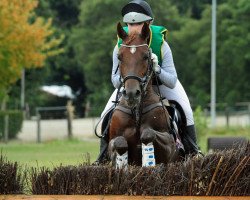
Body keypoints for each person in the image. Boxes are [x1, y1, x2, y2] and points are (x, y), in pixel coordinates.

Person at [96, 0, 201, 164]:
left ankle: (193, 151)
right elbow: (115, 80)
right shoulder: (120, 46)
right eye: (129, 24)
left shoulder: (161, 45)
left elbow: (172, 81)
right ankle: (102, 156)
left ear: (148, 24)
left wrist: (156, 67)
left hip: (161, 84)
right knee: (105, 115)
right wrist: (127, 80)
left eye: (137, 24)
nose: (133, 28)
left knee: (186, 110)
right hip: (131, 86)